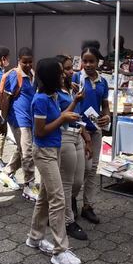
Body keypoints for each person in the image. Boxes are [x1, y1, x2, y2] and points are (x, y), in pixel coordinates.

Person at [25, 57, 82, 264]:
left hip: (54, 149)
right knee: (58, 198)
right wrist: (63, 119)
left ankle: (35, 237)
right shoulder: (40, 99)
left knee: (46, 197)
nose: (64, 75)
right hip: (44, 152)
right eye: (60, 73)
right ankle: (60, 251)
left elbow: (61, 115)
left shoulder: (53, 95)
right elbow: (40, 131)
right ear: (50, 77)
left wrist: (73, 102)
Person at [72, 46, 111, 225]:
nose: (87, 64)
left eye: (91, 61)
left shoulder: (103, 82)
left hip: (95, 130)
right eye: (84, 61)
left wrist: (107, 116)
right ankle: (71, 200)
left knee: (93, 169)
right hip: (78, 131)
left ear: (98, 62)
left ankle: (88, 206)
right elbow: (73, 106)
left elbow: (105, 105)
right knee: (82, 170)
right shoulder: (75, 79)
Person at [0, 47, 40, 202]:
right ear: (19, 61)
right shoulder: (14, 75)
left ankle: (6, 172)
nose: (28, 64)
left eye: (30, 61)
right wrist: (3, 120)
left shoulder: (33, 74)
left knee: (23, 148)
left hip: (31, 119)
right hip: (18, 119)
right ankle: (29, 185)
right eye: (24, 62)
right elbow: (6, 100)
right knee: (28, 152)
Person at [56, 55, 90, 241]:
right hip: (64, 137)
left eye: (72, 68)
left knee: (78, 181)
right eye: (68, 68)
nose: (72, 71)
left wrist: (86, 137)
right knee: (68, 183)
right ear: (59, 71)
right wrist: (75, 101)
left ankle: (65, 208)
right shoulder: (53, 91)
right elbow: (59, 116)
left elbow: (78, 115)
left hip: (77, 135)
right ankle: (68, 222)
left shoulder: (71, 88)